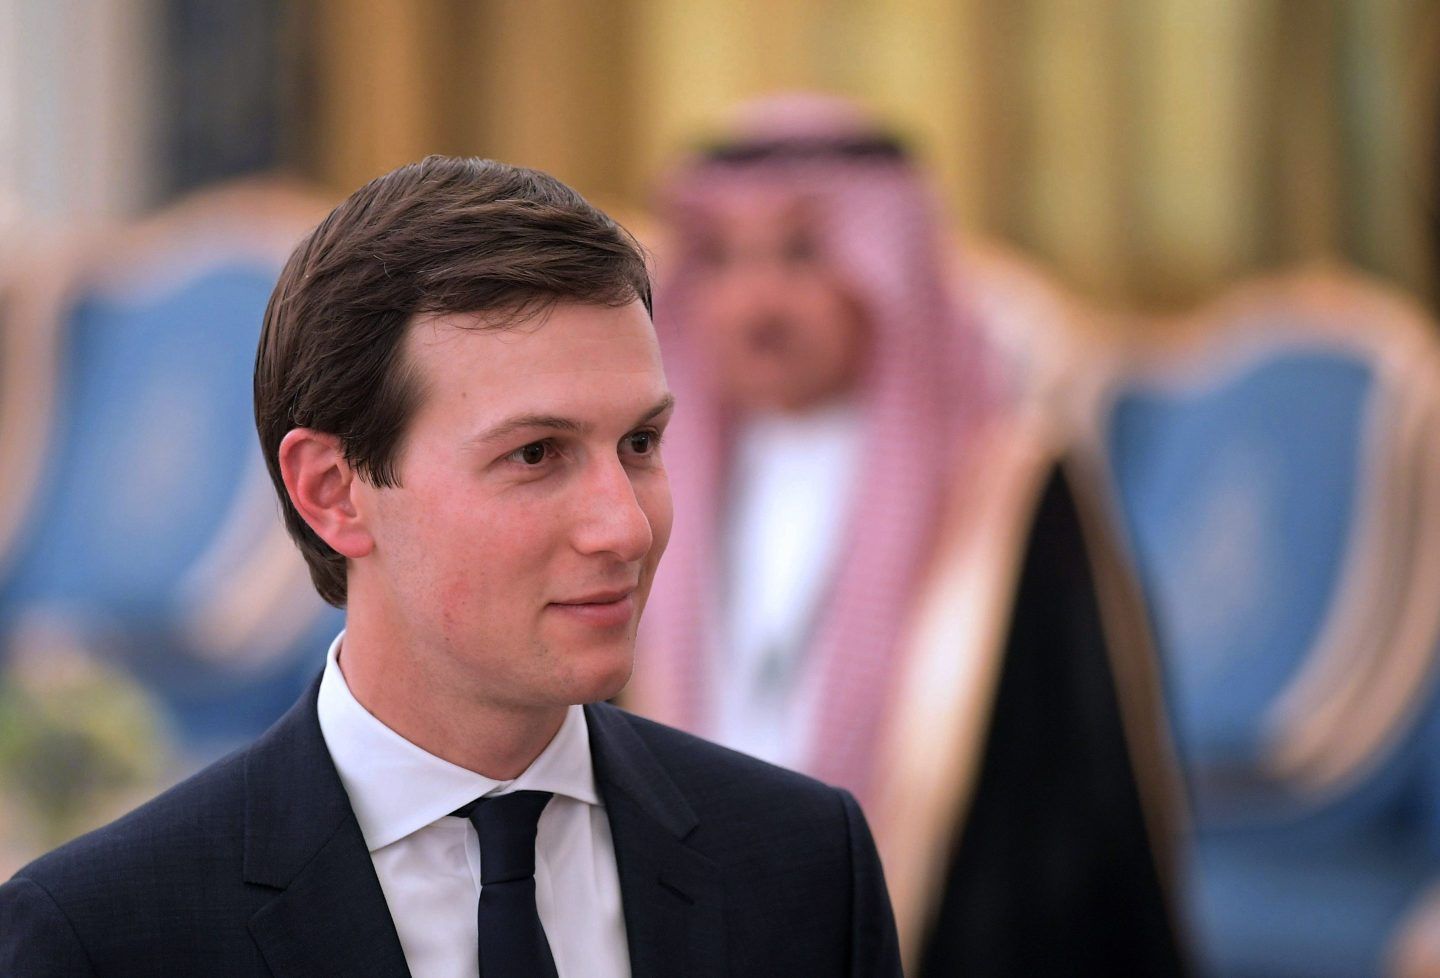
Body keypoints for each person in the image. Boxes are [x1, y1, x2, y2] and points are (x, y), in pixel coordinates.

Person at [0, 156, 903, 977]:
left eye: (639, 443)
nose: (625, 529)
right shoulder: (101, 937)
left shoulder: (806, 864)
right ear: (332, 492)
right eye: (536, 454)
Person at [628, 95, 1190, 976]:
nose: (756, 304)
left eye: (802, 255)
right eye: (724, 260)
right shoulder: (646, 477)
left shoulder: (1005, 493)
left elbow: (1063, 827)